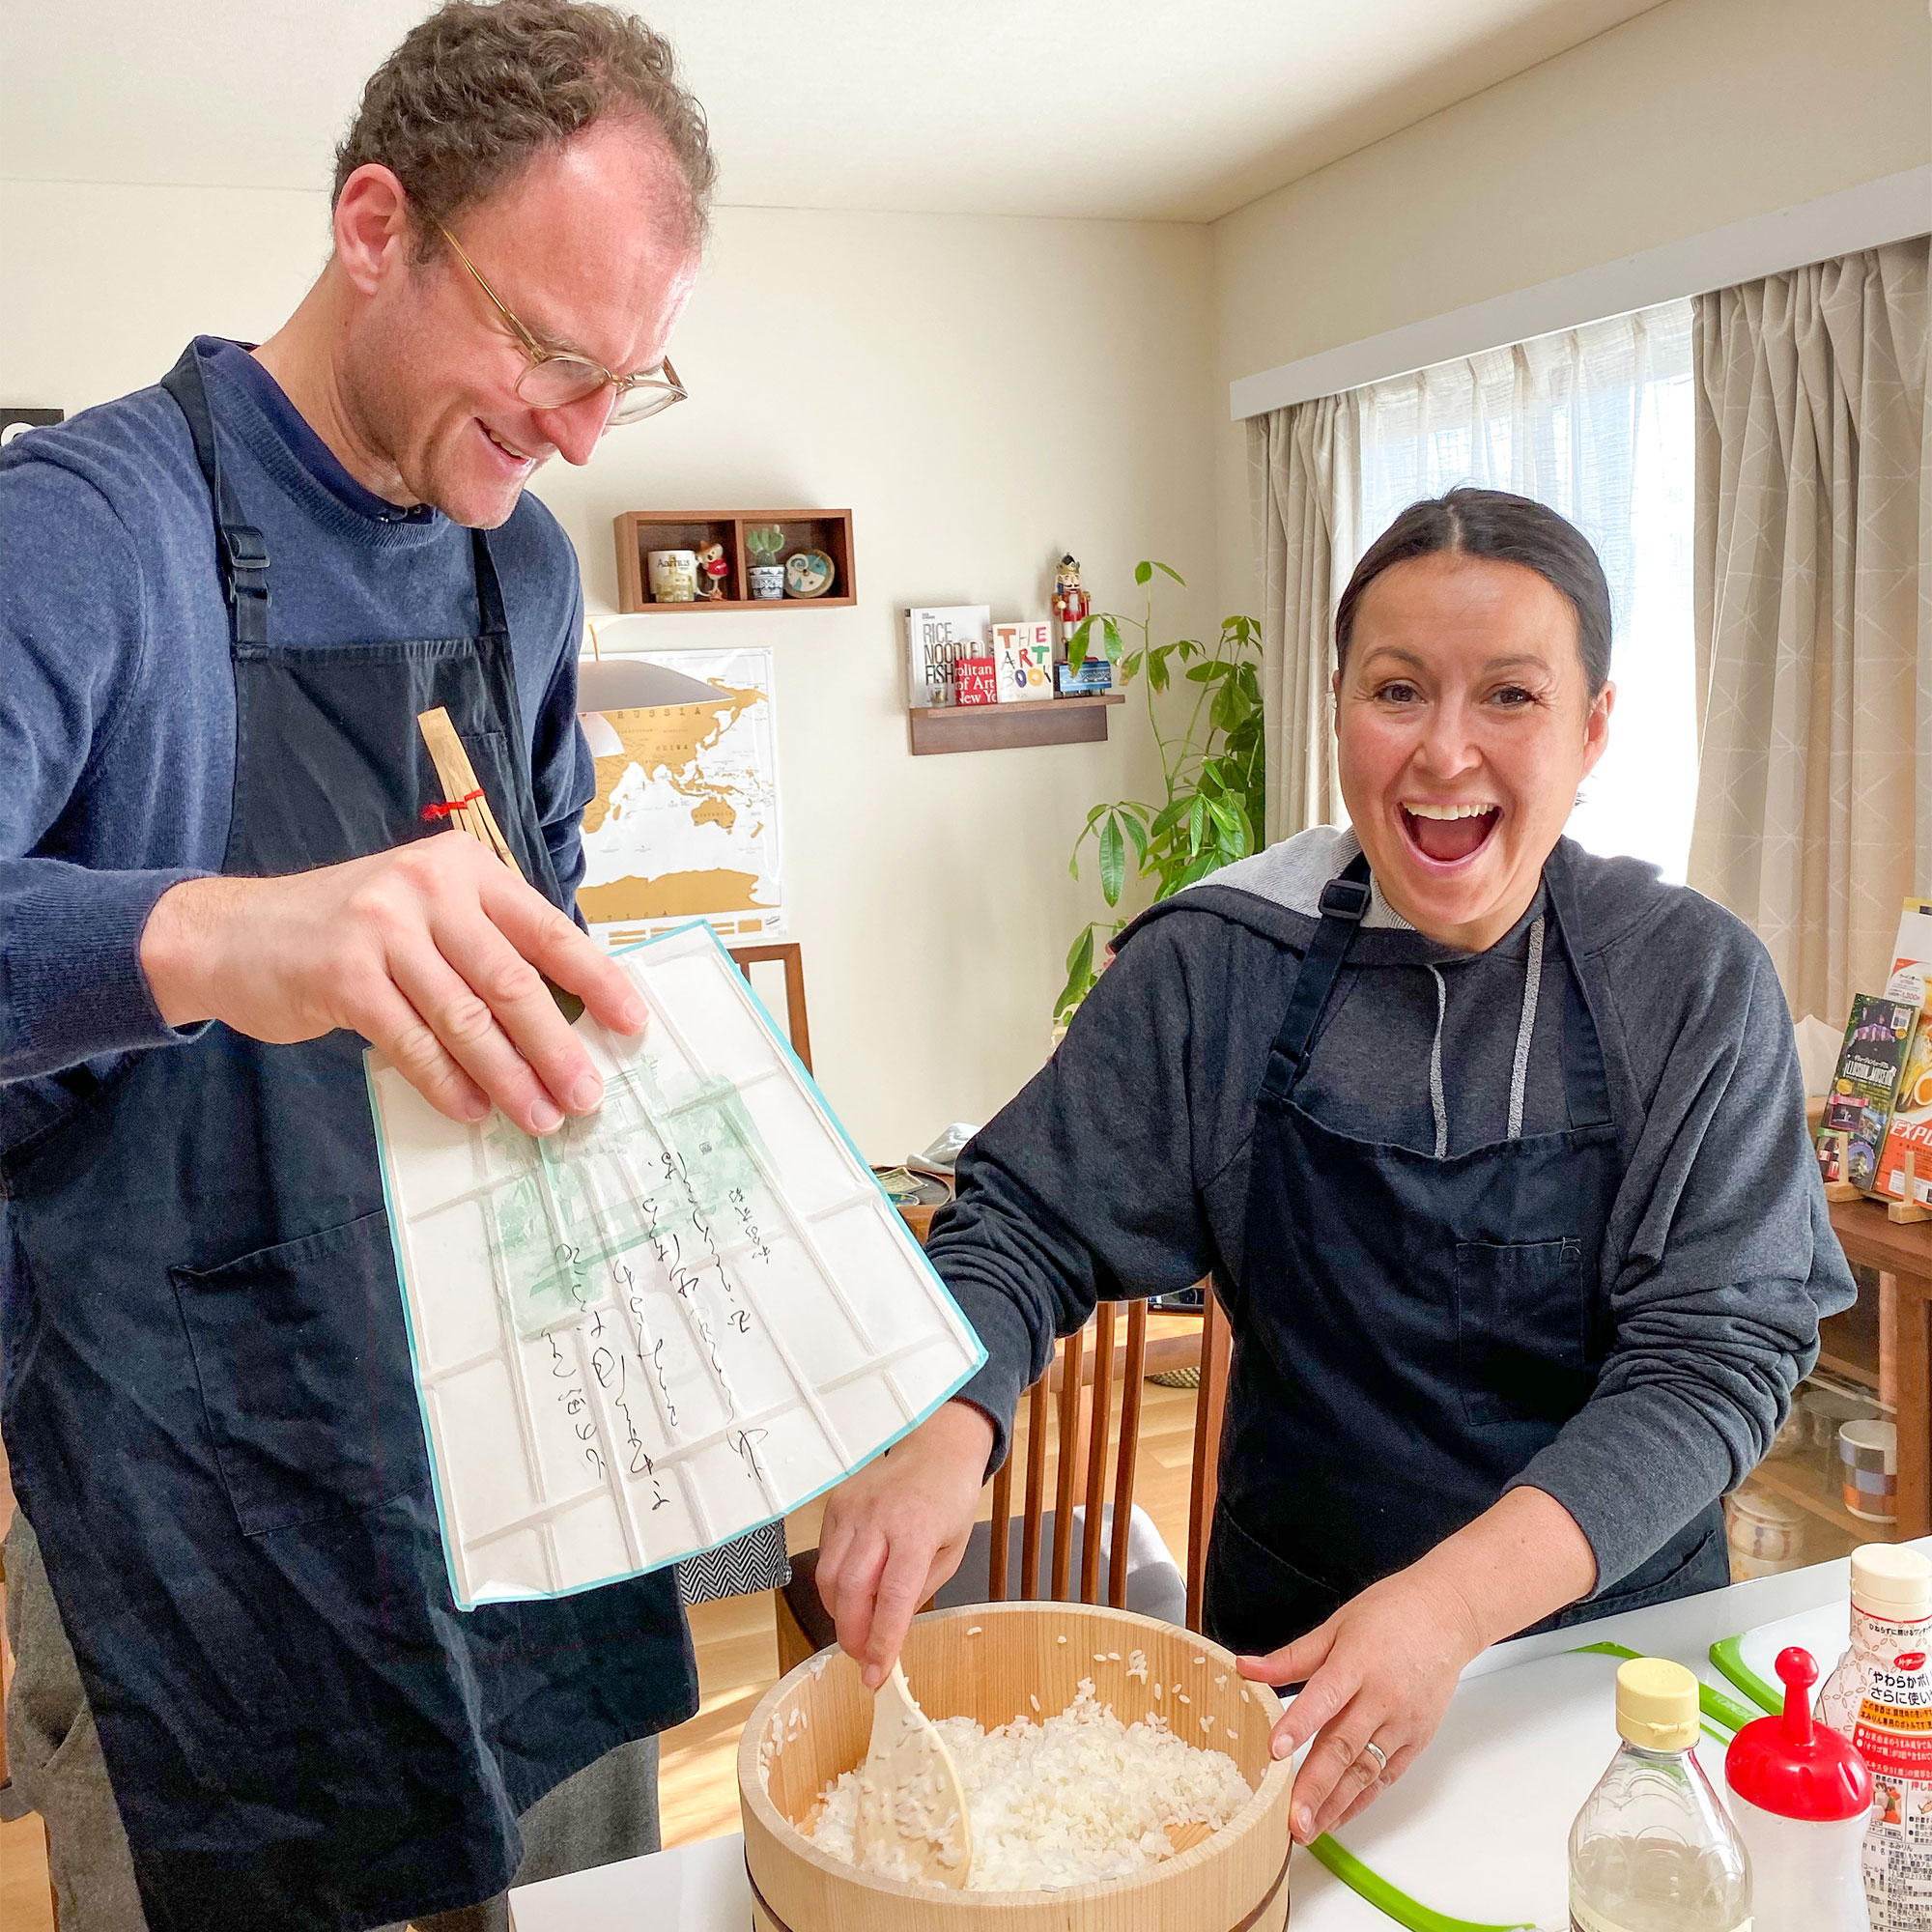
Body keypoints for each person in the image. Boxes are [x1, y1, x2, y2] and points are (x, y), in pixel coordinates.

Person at [817, 487, 1855, 1849]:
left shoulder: (1690, 982)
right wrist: (954, 1419)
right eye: (1398, 689)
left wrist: (1450, 1607)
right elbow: (1027, 1219)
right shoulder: (1219, 965)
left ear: (1594, 729)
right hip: (1286, 1674)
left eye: (1512, 697)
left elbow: (1715, 1356)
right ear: (1339, 707)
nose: (1444, 753)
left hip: (1609, 1680)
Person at [0, 5, 714, 1928]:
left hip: (515, 1435)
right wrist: (224, 933)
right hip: (198, 1482)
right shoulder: (87, 535)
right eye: (549, 353)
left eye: (621, 382)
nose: (573, 431)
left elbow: (541, 945)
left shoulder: (523, 572)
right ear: (376, 223)